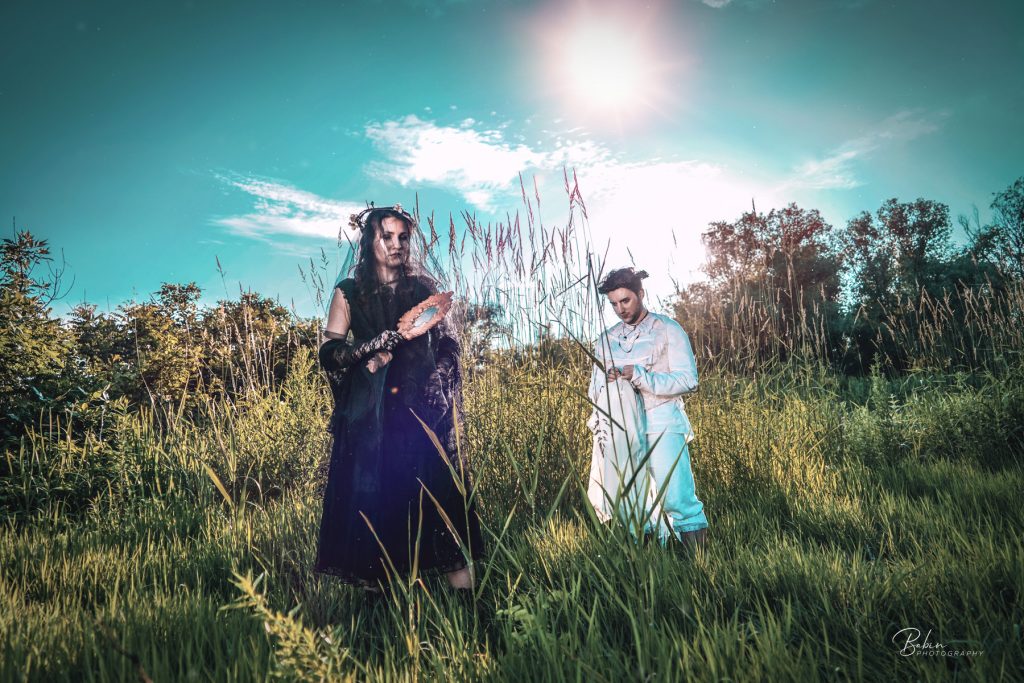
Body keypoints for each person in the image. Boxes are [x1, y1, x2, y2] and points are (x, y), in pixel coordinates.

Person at [314, 204, 483, 593]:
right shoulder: (349, 293)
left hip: (422, 412)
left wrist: (438, 383)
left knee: (437, 498)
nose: (396, 244)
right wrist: (367, 348)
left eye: (403, 237)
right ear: (369, 241)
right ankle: (378, 609)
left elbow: (448, 345)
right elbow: (329, 353)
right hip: (370, 416)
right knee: (375, 501)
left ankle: (471, 610)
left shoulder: (421, 289)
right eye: (386, 236)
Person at [586, 267, 708, 549]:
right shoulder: (606, 339)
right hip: (622, 428)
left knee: (676, 495)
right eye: (613, 304)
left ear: (640, 294)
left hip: (662, 422)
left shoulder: (667, 329)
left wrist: (639, 376)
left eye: (625, 300)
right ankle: (648, 560)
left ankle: (698, 564)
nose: (620, 309)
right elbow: (595, 389)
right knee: (630, 498)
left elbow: (688, 380)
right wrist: (609, 384)